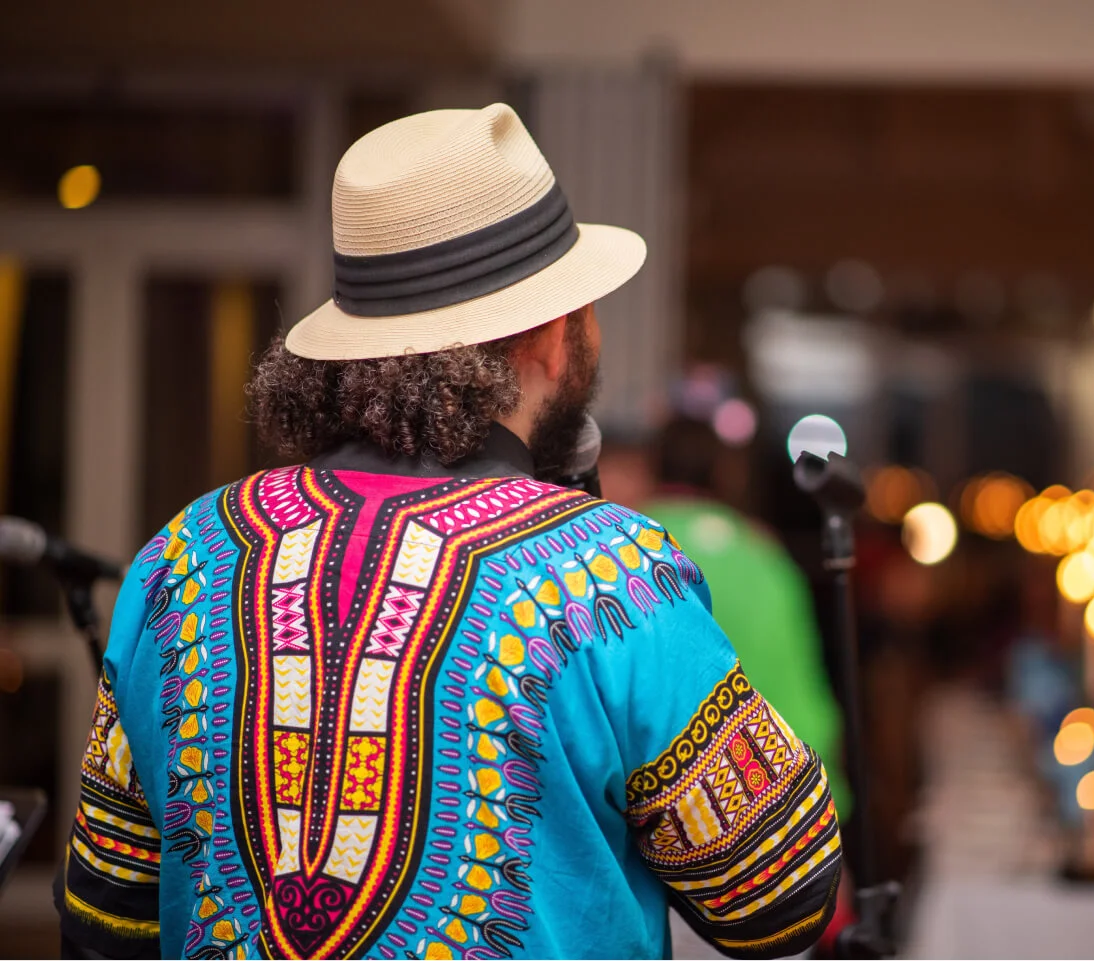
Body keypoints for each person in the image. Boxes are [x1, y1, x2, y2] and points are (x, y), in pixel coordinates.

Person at [54, 105, 842, 960]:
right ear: (551, 334)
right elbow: (781, 896)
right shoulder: (612, 575)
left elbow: (105, 915)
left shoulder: (183, 554)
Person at [640, 418, 851, 824]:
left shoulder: (619, 555)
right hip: (777, 813)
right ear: (724, 474)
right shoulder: (766, 558)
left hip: (665, 823)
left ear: (651, 467)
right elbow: (808, 704)